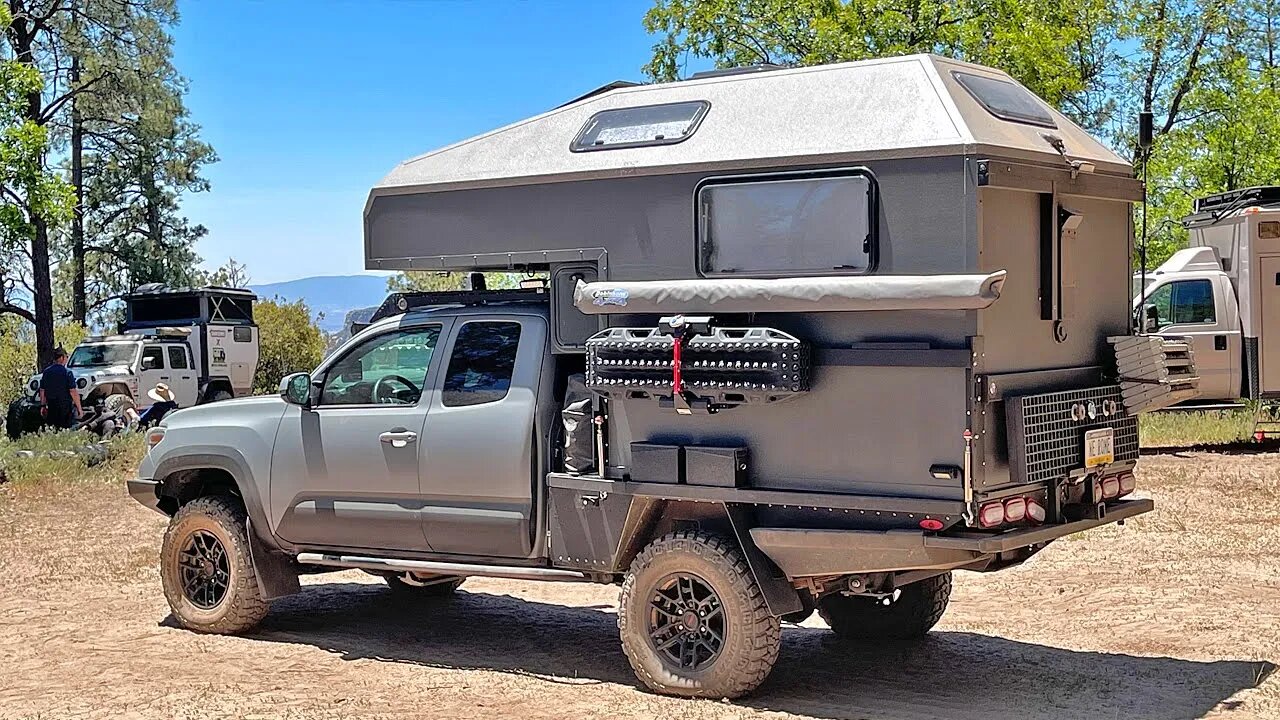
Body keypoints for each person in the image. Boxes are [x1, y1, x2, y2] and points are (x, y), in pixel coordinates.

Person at [38, 346, 81, 430]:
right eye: (66, 357)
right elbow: (73, 391)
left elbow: (42, 390)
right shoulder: (67, 372)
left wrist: (42, 406)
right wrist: (79, 408)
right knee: (67, 429)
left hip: (51, 406)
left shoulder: (46, 372)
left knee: (53, 429)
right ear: (62, 357)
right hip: (65, 407)